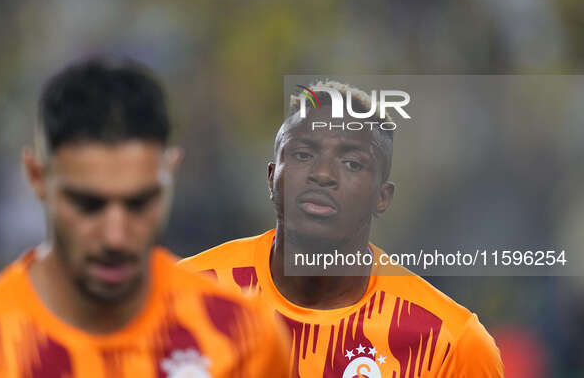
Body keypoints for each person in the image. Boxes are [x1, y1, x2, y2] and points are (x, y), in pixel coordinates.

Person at [179, 81, 505, 377]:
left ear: (382, 197)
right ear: (272, 177)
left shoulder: (450, 345)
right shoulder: (180, 300)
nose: (322, 174)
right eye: (303, 154)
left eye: (352, 163)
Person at [0, 58, 289, 378]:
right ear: (37, 177)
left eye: (139, 203)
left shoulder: (241, 337)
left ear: (170, 174)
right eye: (88, 205)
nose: (115, 237)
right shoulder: (1, 340)